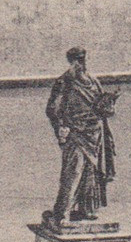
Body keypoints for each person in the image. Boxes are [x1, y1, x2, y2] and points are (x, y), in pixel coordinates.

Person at [45, 46, 120, 224]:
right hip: (75, 132)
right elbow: (52, 108)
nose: (81, 64)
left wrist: (108, 103)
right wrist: (61, 126)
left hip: (94, 132)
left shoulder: (93, 81)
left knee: (91, 171)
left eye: (83, 60)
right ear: (71, 62)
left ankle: (86, 209)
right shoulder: (64, 82)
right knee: (73, 171)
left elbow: (101, 107)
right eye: (77, 60)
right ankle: (62, 212)